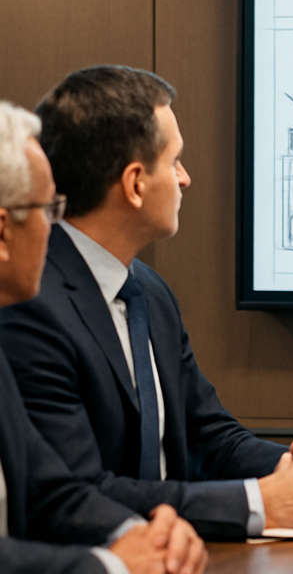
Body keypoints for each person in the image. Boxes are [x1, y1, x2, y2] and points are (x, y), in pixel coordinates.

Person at [0, 67, 293, 542]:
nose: (186, 178)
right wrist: (260, 502)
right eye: (174, 161)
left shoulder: (147, 290)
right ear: (135, 184)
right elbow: (74, 494)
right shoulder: (29, 301)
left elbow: (205, 434)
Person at [0, 99, 208, 574]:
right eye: (46, 210)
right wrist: (113, 565)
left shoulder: (151, 291)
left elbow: (51, 491)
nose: (54, 229)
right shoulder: (28, 317)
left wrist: (141, 537)